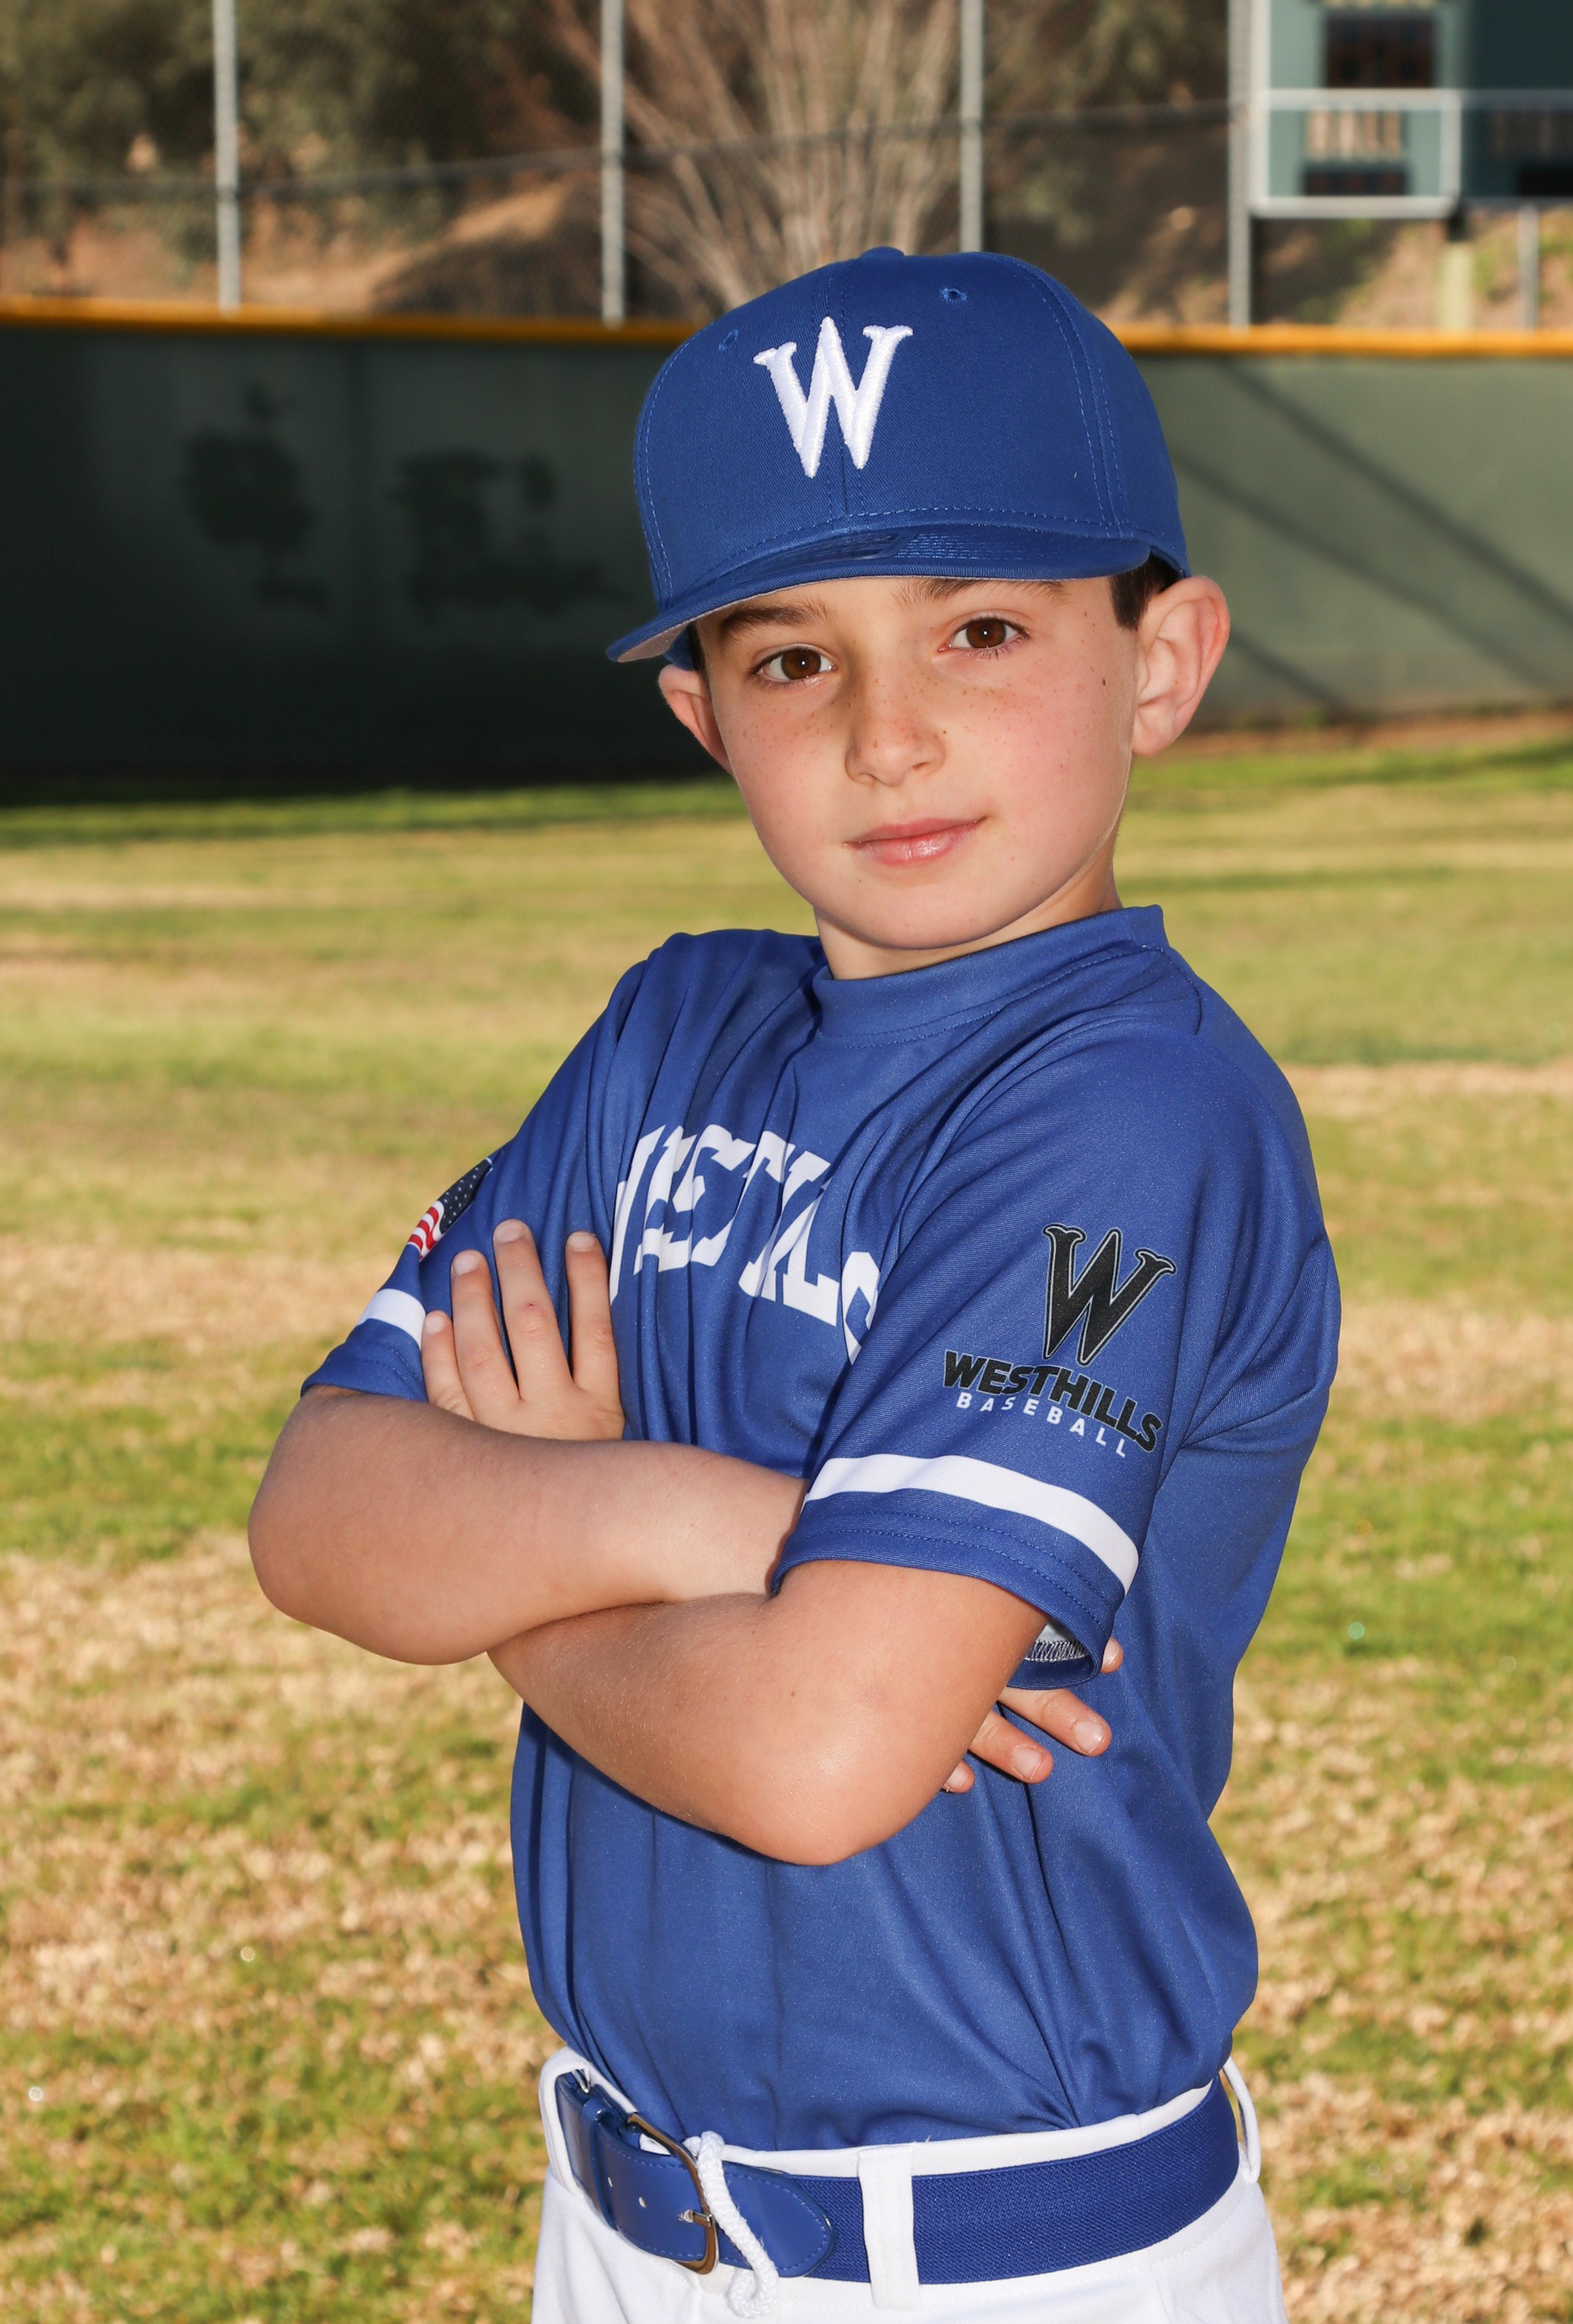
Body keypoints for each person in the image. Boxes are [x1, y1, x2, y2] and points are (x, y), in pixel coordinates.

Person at [250, 247, 1340, 2323]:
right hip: (626, 2209)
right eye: (789, 658)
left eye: (981, 628)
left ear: (1162, 660)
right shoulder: (668, 1030)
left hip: (1006, 2251)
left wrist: (522, 1572)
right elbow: (317, 1516)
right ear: (702, 715)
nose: (886, 734)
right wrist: (714, 1524)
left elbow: (819, 1753)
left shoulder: (1134, 1107)